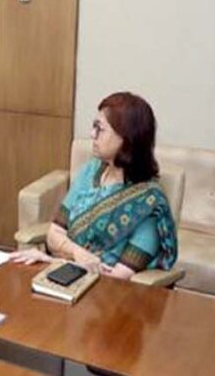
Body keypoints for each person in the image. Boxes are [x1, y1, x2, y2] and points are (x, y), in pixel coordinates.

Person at [11, 92, 178, 279]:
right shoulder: (92, 170)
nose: (92, 135)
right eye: (94, 127)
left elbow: (117, 278)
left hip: (104, 291)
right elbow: (54, 235)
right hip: (62, 275)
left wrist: (50, 261)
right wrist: (77, 253)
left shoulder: (149, 203)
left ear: (126, 138)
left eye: (100, 129)